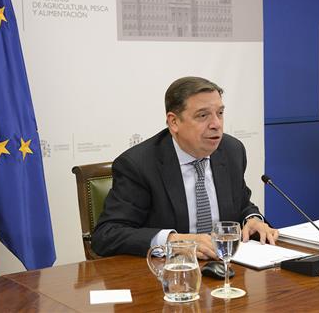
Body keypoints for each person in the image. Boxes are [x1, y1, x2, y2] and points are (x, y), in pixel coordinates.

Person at [91, 76, 278, 259]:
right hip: (168, 275)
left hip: (226, 269)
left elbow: (241, 204)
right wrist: (174, 241)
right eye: (203, 115)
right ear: (174, 122)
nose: (216, 124)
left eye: (220, 113)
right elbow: (107, 234)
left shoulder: (231, 151)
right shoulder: (139, 165)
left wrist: (252, 219)